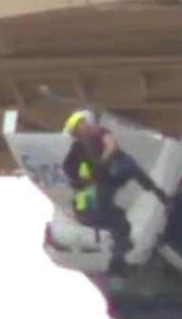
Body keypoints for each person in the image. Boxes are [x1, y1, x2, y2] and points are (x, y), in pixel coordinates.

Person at [62, 110, 168, 274]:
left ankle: (117, 261)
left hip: (91, 201)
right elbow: (70, 169)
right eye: (81, 127)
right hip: (90, 202)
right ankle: (119, 253)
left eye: (84, 123)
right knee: (126, 169)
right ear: (77, 131)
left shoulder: (99, 134)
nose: (86, 127)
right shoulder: (78, 149)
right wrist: (83, 177)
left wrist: (101, 163)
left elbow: (111, 146)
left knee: (121, 224)